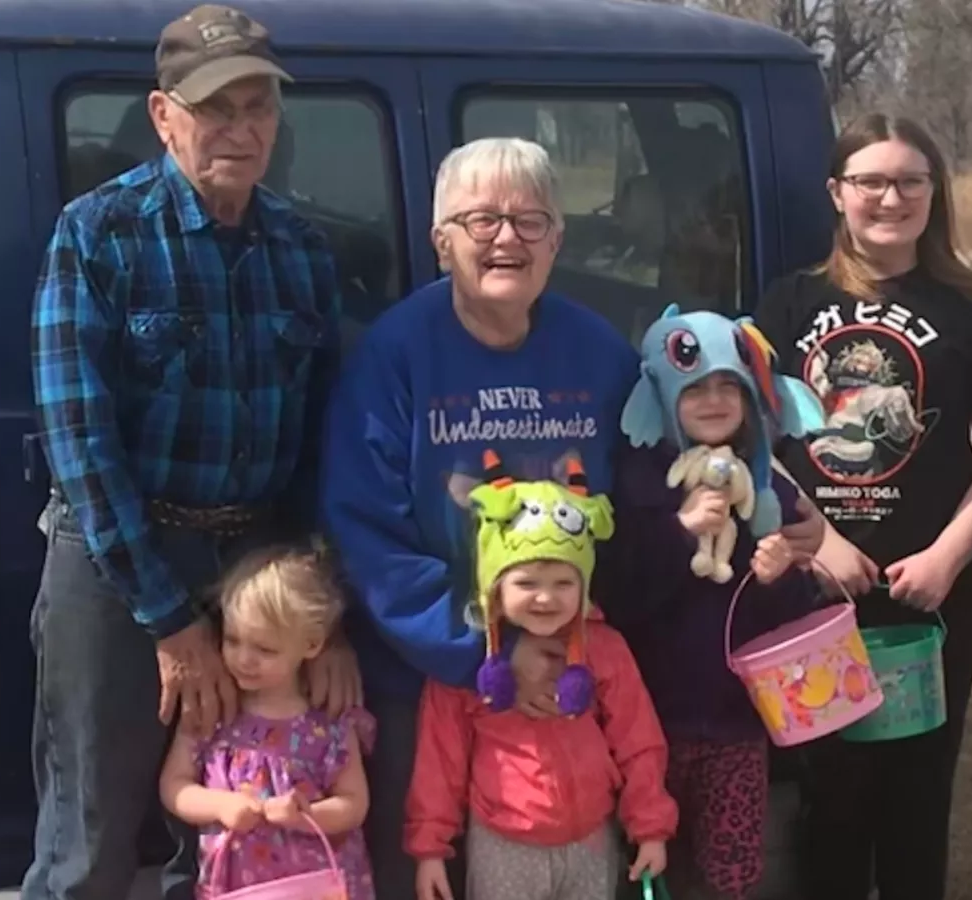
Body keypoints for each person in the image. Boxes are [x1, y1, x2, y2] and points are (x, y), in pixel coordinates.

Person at [320, 136, 826, 896]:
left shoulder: (596, 352)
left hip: (577, 671)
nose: (507, 239)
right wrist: (489, 651)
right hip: (431, 675)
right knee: (422, 872)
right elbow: (368, 536)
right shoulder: (392, 355)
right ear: (441, 241)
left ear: (558, 240)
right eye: (482, 219)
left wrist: (784, 508)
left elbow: (687, 450)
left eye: (530, 221)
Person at [25, 6, 360, 898]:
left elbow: (324, 443)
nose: (241, 130)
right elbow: (80, 444)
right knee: (92, 833)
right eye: (216, 108)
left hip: (255, 565)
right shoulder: (98, 234)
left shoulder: (301, 248)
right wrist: (171, 623)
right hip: (117, 564)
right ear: (163, 115)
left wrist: (322, 609)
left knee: (228, 831)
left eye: (259, 107)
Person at [752, 113, 972, 900]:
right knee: (827, 801)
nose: (891, 198)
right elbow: (753, 446)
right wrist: (817, 540)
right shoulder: (789, 302)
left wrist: (947, 558)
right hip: (814, 597)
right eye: (871, 181)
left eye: (910, 181)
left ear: (934, 193)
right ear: (837, 192)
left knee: (917, 799)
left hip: (928, 601)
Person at [599, 308, 823, 900]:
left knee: (731, 876)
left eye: (730, 386)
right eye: (695, 388)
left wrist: (778, 578)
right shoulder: (638, 481)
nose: (715, 400)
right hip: (647, 726)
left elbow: (791, 625)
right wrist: (680, 531)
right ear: (661, 397)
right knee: (648, 867)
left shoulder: (766, 489)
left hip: (737, 726)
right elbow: (620, 597)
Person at [404, 464, 677, 900]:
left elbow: (638, 742)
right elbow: (440, 762)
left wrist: (650, 828)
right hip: (504, 846)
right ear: (495, 588)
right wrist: (429, 849)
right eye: (526, 582)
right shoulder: (467, 663)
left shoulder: (605, 649)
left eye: (564, 582)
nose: (546, 597)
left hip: (591, 841)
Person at [159, 543, 375, 898]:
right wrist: (220, 805)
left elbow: (354, 803)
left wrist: (305, 816)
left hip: (314, 888)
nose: (244, 659)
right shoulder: (215, 712)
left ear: (311, 645)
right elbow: (174, 786)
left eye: (264, 649)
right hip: (235, 886)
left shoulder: (328, 723)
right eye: (233, 640)